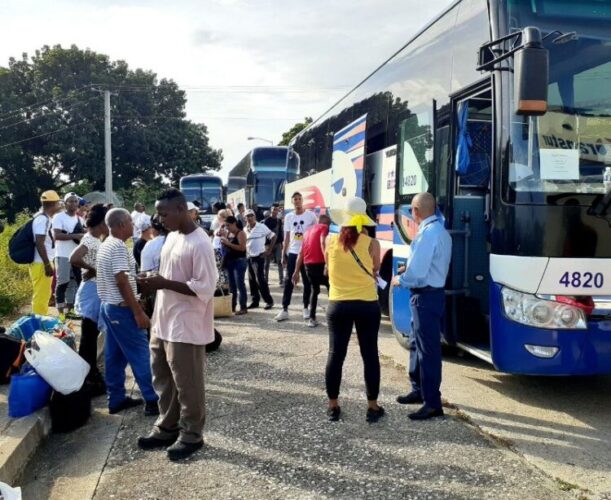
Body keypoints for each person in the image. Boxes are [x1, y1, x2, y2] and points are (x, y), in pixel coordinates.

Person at [136, 188, 218, 461]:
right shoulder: (171, 237)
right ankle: (167, 426)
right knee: (162, 378)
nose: (159, 219)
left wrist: (163, 283)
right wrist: (151, 279)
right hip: (163, 319)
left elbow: (206, 286)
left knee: (188, 383)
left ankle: (192, 434)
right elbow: (169, 274)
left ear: (182, 209)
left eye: (164, 213)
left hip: (187, 324)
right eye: (157, 214)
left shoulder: (201, 243)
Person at [392, 193, 452, 420]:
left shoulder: (426, 235)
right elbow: (428, 263)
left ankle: (432, 402)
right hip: (433, 295)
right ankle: (419, 390)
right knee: (418, 344)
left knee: (427, 351)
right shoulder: (441, 232)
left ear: (416, 211)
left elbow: (417, 273)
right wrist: (407, 269)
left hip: (424, 296)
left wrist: (401, 279)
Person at [324, 196, 384, 423]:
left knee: (335, 354)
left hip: (338, 304)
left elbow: (328, 270)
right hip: (367, 304)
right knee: (369, 355)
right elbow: (376, 268)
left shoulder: (329, 241)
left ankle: (333, 405)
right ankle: (372, 406)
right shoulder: (372, 243)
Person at [96, 208, 159, 416]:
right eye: (131, 222)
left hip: (109, 307)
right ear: (122, 224)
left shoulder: (107, 244)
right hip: (122, 310)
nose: (134, 226)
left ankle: (116, 399)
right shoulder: (118, 247)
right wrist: (138, 312)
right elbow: (121, 280)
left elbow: (124, 277)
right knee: (140, 353)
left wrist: (137, 278)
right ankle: (153, 400)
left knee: (115, 356)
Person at [70, 204, 109, 396]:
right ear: (102, 223)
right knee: (88, 337)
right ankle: (89, 375)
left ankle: (90, 373)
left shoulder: (93, 239)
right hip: (92, 291)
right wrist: (91, 269)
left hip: (93, 290)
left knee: (90, 336)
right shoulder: (91, 240)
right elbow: (74, 258)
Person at [274, 192, 317, 322]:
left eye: (299, 199)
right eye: (295, 199)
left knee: (307, 281)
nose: (297, 201)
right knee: (289, 281)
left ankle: (305, 308)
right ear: (292, 202)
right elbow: (286, 236)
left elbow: (315, 233)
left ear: (302, 200)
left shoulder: (311, 215)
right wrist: (283, 254)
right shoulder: (288, 217)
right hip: (292, 252)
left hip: (307, 252)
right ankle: (285, 308)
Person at [292, 214, 331, 327]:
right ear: (325, 223)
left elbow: (301, 253)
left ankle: (312, 318)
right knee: (331, 288)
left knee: (314, 290)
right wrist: (327, 263)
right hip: (320, 263)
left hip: (308, 265)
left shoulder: (307, 232)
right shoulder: (324, 228)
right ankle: (330, 318)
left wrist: (296, 271)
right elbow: (323, 242)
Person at [52, 192, 85, 319]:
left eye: (75, 201)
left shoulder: (80, 219)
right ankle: (60, 312)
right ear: (65, 203)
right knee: (63, 282)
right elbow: (57, 235)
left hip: (76, 255)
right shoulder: (59, 217)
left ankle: (70, 310)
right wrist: (76, 236)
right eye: (70, 201)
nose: (73, 203)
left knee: (74, 282)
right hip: (63, 255)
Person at [29, 191, 61, 315]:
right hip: (42, 263)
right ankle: (38, 323)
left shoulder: (42, 217)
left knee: (43, 294)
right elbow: (39, 243)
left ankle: (39, 319)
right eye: (58, 203)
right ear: (54, 204)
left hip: (41, 262)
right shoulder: (43, 219)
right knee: (41, 296)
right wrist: (47, 264)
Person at [244, 209, 276, 310]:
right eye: (247, 216)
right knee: (251, 280)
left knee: (260, 280)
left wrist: (269, 250)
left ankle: (269, 301)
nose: (249, 218)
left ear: (255, 217)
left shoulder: (261, 226)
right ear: (245, 218)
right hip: (249, 257)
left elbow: (273, 236)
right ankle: (255, 301)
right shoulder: (245, 229)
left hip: (259, 257)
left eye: (251, 216)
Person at [220, 215, 248, 315]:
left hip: (239, 261)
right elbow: (218, 233)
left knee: (240, 284)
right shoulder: (228, 234)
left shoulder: (240, 233)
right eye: (225, 225)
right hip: (230, 261)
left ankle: (243, 307)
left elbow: (242, 248)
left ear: (234, 223)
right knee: (231, 286)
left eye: (228, 225)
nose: (227, 227)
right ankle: (232, 307)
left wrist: (228, 243)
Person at [263, 204, 284, 286]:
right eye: (273, 209)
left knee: (279, 262)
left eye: (276, 209)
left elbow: (280, 233)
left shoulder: (279, 221)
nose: (275, 211)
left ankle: (281, 280)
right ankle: (266, 280)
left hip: (278, 244)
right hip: (269, 245)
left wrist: (281, 244)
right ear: (271, 210)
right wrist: (266, 245)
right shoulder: (266, 221)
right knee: (267, 263)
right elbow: (264, 234)